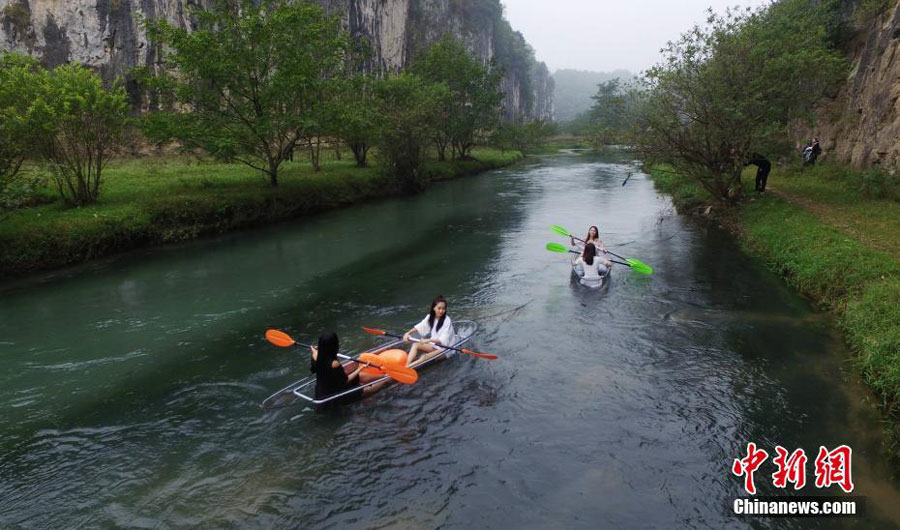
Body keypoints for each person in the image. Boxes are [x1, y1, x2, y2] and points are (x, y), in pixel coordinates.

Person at [309, 332, 364, 403]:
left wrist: (314, 349)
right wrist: (360, 368)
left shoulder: (315, 355)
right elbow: (345, 381)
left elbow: (313, 368)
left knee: (361, 376)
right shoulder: (334, 363)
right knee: (371, 387)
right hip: (335, 395)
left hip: (320, 393)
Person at [403, 295, 456, 367]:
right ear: (434, 308)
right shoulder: (430, 317)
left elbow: (443, 340)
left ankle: (408, 368)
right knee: (415, 344)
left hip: (446, 349)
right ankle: (406, 365)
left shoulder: (447, 320)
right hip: (435, 346)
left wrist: (429, 340)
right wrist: (408, 333)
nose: (441, 311)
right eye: (439, 308)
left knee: (425, 357)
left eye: (443, 309)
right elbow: (420, 326)